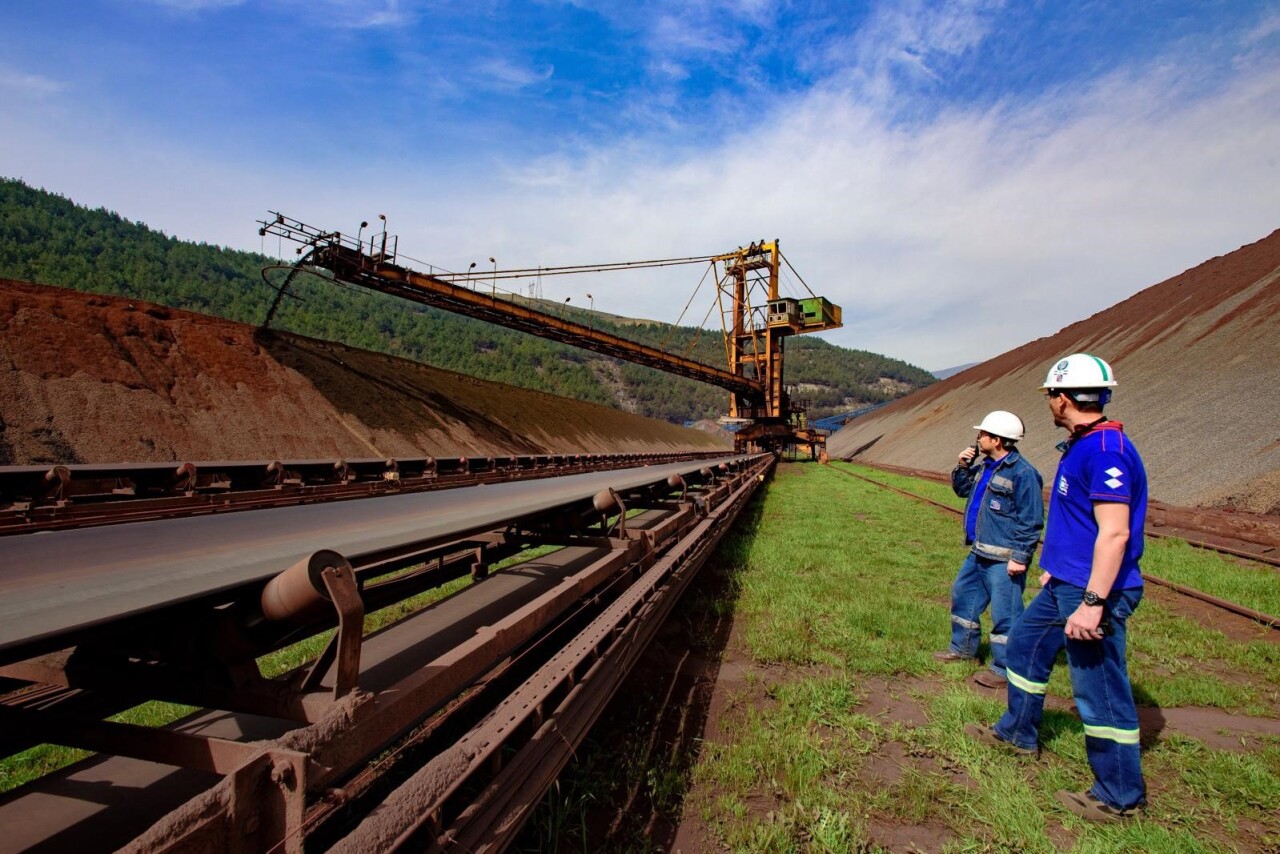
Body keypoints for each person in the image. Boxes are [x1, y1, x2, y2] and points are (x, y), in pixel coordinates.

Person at [966, 353, 1148, 823]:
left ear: (1063, 398)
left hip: (1091, 592)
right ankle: (1018, 732)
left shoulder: (1105, 452)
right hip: (1064, 581)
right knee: (1025, 648)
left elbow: (1114, 533)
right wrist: (1057, 568)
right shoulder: (1082, 445)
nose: (1049, 402)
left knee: (1100, 688)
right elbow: (1081, 524)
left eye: (1050, 395)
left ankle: (1118, 794)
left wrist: (1092, 602)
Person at [933, 411, 1044, 688]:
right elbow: (962, 490)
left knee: (1006, 614)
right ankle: (963, 651)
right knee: (963, 595)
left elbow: (1031, 521)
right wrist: (962, 466)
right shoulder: (985, 467)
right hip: (980, 551)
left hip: (1004, 557)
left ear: (997, 439)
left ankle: (1005, 669)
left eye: (982, 434)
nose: (978, 438)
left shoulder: (1023, 474)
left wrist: (1020, 557)